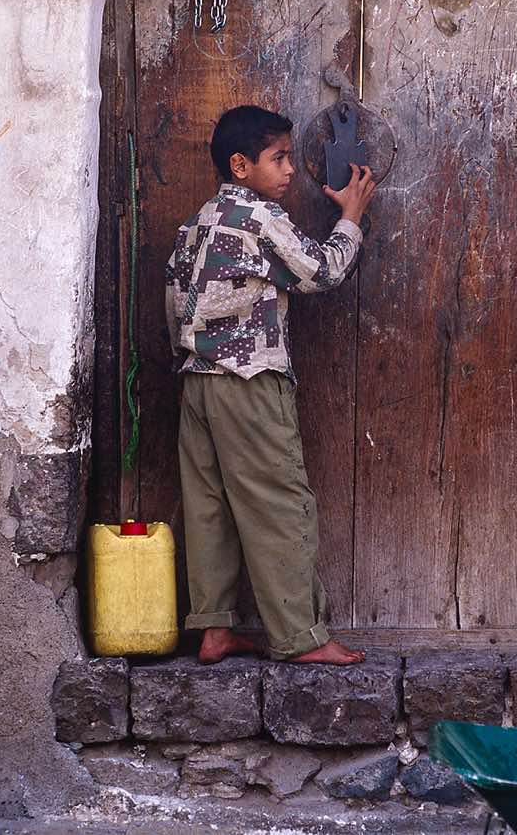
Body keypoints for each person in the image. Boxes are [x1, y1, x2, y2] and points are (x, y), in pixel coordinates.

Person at [165, 104, 375, 666]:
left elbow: (175, 300)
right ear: (240, 165)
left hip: (199, 384)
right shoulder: (257, 216)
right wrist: (351, 217)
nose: (288, 171)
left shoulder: (201, 221)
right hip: (249, 381)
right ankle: (301, 637)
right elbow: (322, 271)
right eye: (278, 158)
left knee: (209, 507)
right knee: (280, 503)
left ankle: (213, 628)